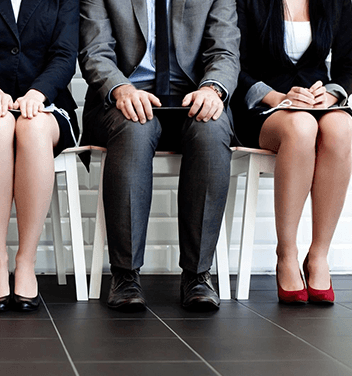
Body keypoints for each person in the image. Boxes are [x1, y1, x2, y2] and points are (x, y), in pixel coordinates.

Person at [79, 0, 240, 312]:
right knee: (135, 127)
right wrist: (121, 89)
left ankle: (198, 274)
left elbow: (225, 50)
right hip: (124, 98)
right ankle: (125, 275)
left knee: (212, 128)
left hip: (192, 97)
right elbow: (95, 52)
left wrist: (212, 89)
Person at [0, 0, 80, 312]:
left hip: (46, 105)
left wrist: (38, 92)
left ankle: (25, 261)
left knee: (32, 128)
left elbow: (65, 55)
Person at [233, 0, 352, 304]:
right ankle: (286, 254)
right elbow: (235, 65)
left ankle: (318, 255)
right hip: (263, 107)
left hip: (317, 102)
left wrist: (330, 93)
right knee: (301, 128)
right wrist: (278, 97)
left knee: (341, 130)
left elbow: (347, 67)